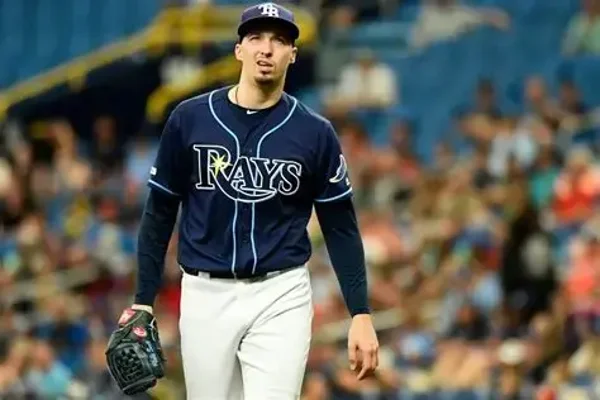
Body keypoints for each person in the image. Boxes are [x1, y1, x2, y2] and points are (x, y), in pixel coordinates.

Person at [114, 2, 379, 399]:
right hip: (205, 293)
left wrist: (360, 312)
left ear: (293, 54)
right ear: (238, 49)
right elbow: (159, 213)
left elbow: (340, 227)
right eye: (256, 37)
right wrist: (143, 301)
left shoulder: (315, 133)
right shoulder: (190, 119)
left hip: (281, 292)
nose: (266, 49)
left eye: (279, 40)